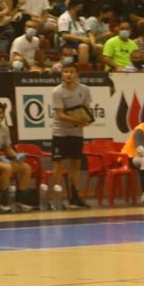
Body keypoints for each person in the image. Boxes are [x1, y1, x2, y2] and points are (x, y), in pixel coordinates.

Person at [49, 62, 93, 210]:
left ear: (77, 74)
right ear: (62, 74)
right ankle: (56, 197)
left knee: (76, 164)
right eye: (65, 71)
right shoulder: (57, 92)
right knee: (58, 164)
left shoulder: (84, 90)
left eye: (71, 72)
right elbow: (60, 115)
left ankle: (75, 197)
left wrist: (86, 120)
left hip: (76, 132)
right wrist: (78, 121)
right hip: (60, 132)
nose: (68, 74)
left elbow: (86, 109)